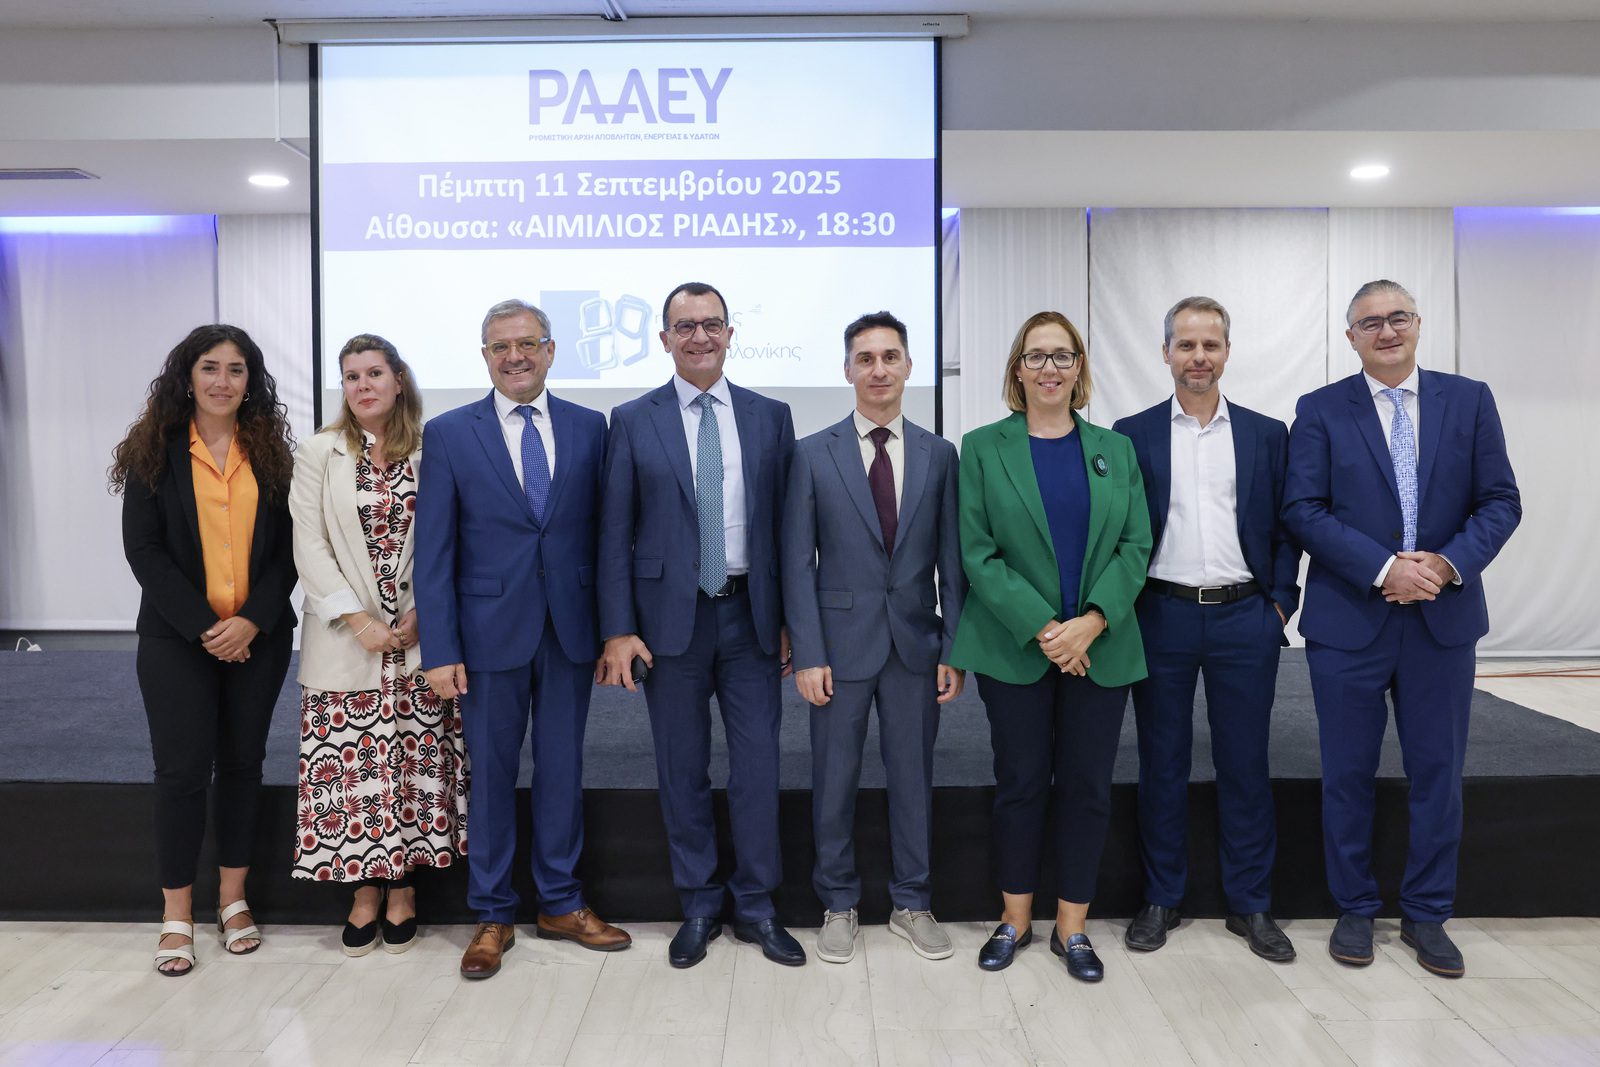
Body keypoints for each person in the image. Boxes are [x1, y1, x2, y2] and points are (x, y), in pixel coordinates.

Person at [1283, 279, 1520, 978]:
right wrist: (1385, 568)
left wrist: (1444, 565)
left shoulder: (1469, 399)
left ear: (1417, 324)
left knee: (1438, 773)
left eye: (1398, 318)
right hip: (1350, 620)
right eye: (1370, 322)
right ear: (1349, 336)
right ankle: (1355, 907)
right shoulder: (1320, 409)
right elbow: (1303, 508)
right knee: (1347, 773)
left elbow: (1500, 500)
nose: (1386, 331)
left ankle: (1427, 912)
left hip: (1442, 619)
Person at [414, 299, 630, 981]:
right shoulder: (450, 433)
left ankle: (561, 902)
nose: (515, 356)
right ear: (485, 356)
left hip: (569, 631)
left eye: (528, 343)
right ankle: (492, 913)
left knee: (562, 769)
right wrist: (441, 648)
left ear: (551, 350)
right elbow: (433, 552)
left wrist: (612, 629)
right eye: (501, 346)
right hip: (485, 636)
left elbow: (607, 539)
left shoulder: (591, 427)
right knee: (492, 775)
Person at [597, 281, 802, 969]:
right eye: (684, 326)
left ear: (730, 333)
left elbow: (788, 532)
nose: (699, 336)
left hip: (751, 618)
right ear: (664, 339)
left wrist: (792, 621)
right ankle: (699, 902)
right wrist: (618, 628)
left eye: (711, 323)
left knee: (757, 767)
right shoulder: (633, 419)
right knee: (681, 768)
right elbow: (614, 532)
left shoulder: (772, 417)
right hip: (669, 624)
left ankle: (757, 904)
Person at [949, 310, 1151, 983]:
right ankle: (1014, 919)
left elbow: (1136, 545)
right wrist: (1046, 629)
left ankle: (1072, 927)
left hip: (1100, 647)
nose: (1049, 369)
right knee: (1021, 784)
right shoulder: (982, 448)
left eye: (1062, 356)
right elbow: (977, 553)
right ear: (1017, 369)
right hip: (1016, 649)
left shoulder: (1115, 450)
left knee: (1088, 788)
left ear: (1079, 368)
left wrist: (1091, 621)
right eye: (1036, 356)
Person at [1112, 297, 1301, 962]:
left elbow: (1287, 526)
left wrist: (1281, 604)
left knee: (1245, 763)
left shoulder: (1266, 434)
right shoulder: (1130, 433)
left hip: (1245, 618)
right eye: (1186, 344)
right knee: (1160, 762)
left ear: (1226, 352)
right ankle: (1161, 897)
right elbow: (1120, 530)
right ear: (1165, 352)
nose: (1198, 357)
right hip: (1159, 615)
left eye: (1210, 345)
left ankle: (1251, 902)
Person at [111, 324, 298, 976]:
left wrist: (250, 621)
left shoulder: (270, 451)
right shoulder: (154, 451)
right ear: (187, 377)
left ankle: (233, 900)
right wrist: (206, 628)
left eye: (236, 369)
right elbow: (143, 551)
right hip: (176, 641)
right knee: (181, 773)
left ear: (251, 380)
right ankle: (177, 915)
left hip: (259, 639)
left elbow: (289, 552)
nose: (223, 380)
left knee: (243, 765)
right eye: (211, 367)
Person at [781, 311, 966, 965]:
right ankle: (838, 903)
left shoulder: (941, 455)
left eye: (890, 357)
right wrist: (808, 652)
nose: (879, 369)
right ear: (847, 369)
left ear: (910, 366)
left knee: (913, 779)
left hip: (916, 645)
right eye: (866, 358)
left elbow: (953, 563)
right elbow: (796, 562)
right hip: (838, 648)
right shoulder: (812, 453)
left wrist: (955, 649)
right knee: (834, 780)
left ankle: (912, 901)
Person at [288, 333, 468, 956]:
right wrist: (360, 621)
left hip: (420, 640)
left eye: (374, 373)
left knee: (413, 772)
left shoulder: (433, 448)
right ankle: (363, 891)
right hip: (348, 640)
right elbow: (309, 544)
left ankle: (404, 890)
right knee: (354, 776)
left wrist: (426, 614)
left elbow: (452, 536)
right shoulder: (319, 451)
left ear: (399, 380)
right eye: (351, 376)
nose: (362, 385)